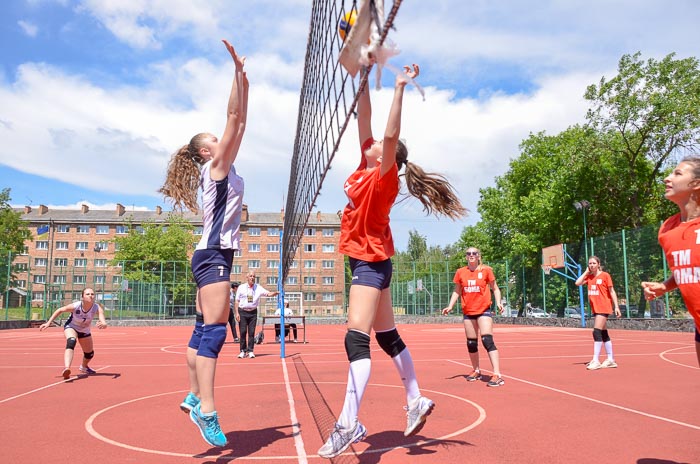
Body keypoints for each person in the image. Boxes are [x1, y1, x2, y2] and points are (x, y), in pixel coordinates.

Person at [318, 64, 467, 459]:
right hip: (370, 261)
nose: (368, 142)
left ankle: (348, 424)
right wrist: (362, 74)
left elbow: (388, 133)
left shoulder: (385, 177)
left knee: (355, 338)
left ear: (387, 156)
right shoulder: (362, 167)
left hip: (370, 261)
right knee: (387, 337)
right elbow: (363, 115)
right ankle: (416, 398)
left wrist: (399, 86)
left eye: (378, 145)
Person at [158, 39, 248, 448]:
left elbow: (239, 122)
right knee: (215, 331)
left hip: (210, 254)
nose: (222, 139)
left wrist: (244, 82)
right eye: (214, 138)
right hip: (213, 255)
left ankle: (193, 394)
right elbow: (235, 117)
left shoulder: (221, 167)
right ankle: (207, 410)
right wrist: (237, 75)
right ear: (203, 151)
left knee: (200, 330)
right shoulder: (216, 166)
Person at [642, 156, 700, 366]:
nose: (667, 178)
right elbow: (688, 268)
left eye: (677, 173)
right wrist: (665, 286)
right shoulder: (667, 229)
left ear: (696, 183)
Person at [441, 248, 505, 387]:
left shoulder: (486, 270)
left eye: (474, 253)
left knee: (487, 340)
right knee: (471, 343)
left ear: (479, 256)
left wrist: (499, 302)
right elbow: (457, 291)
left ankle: (497, 374)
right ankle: (476, 370)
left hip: (483, 310)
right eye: (468, 254)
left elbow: (495, 288)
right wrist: (450, 306)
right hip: (468, 312)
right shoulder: (461, 272)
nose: (471, 255)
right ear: (466, 257)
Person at [38, 288, 107, 379]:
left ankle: (84, 366)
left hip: (84, 330)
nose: (90, 296)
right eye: (87, 294)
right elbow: (60, 310)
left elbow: (102, 319)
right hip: (71, 327)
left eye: (92, 294)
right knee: (71, 341)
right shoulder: (76, 306)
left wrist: (104, 324)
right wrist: (48, 323)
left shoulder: (96, 307)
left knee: (89, 354)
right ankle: (67, 368)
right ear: (82, 297)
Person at [575, 256, 622, 370]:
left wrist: (616, 306)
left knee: (596, 332)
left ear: (598, 264)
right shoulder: (589, 277)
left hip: (604, 307)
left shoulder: (605, 275)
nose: (591, 265)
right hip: (596, 308)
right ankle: (611, 359)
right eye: (590, 263)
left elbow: (612, 291)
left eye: (594, 263)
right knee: (604, 333)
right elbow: (577, 283)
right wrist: (586, 271)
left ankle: (596, 360)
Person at [234, 271, 279, 358]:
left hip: (253, 312)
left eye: (254, 276)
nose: (252, 278)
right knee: (243, 332)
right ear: (247, 277)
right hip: (242, 312)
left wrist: (275, 293)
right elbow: (237, 301)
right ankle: (243, 351)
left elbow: (268, 293)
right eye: (250, 276)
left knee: (251, 332)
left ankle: (250, 350)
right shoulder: (241, 287)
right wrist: (236, 313)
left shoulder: (258, 288)